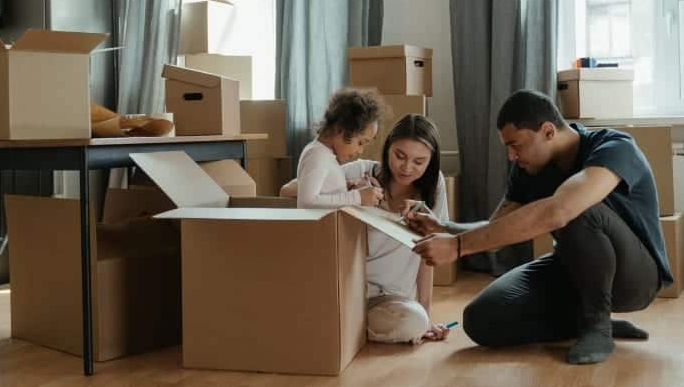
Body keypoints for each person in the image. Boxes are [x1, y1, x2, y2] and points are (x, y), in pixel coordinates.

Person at [409, 90, 669, 364]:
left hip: (636, 278)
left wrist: (458, 247)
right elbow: (497, 231)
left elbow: (560, 210)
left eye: (516, 145)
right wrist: (446, 228)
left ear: (547, 131)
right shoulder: (528, 168)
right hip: (574, 269)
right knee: (481, 319)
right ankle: (583, 322)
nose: (511, 156)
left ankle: (597, 325)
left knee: (576, 208)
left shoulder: (614, 147)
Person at [283, 114, 452, 344]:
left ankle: (341, 327)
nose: (406, 168)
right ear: (387, 148)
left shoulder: (434, 188)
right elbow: (288, 190)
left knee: (415, 322)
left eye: (419, 162)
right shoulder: (363, 171)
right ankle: (342, 325)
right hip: (347, 291)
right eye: (399, 156)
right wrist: (350, 191)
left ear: (431, 162)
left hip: (391, 300)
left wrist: (427, 315)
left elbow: (428, 254)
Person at [295, 88, 384, 209]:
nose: (360, 151)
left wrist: (345, 191)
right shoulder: (317, 155)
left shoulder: (325, 155)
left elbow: (324, 196)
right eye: (360, 142)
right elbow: (306, 202)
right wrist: (357, 197)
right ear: (340, 129)